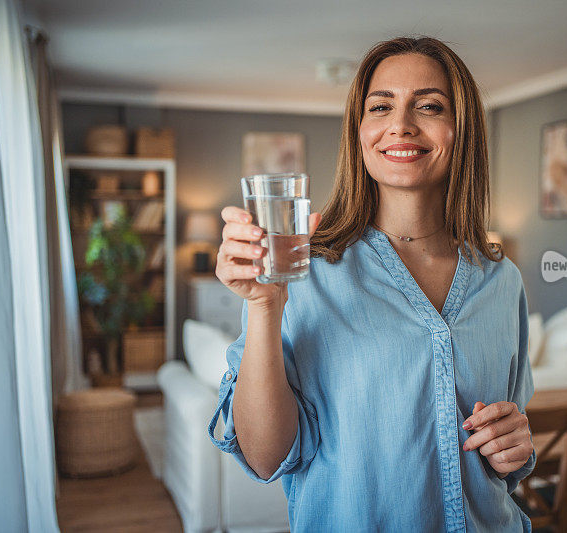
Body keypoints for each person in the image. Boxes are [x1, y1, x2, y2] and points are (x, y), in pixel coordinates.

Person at [209, 36, 535, 532]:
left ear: (461, 130)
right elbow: (264, 457)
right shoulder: (306, 274)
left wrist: (515, 444)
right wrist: (264, 307)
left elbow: (508, 444)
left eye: (429, 106)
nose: (401, 124)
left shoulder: (502, 280)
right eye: (381, 106)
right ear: (359, 132)